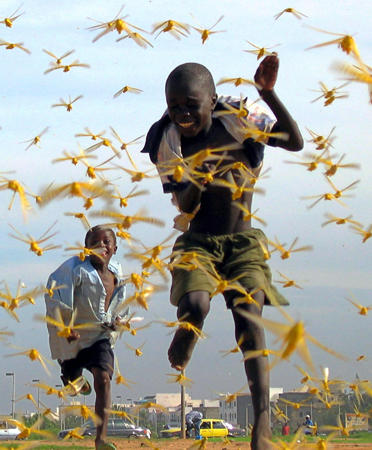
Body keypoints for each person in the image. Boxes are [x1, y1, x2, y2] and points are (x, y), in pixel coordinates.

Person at [141, 55, 303, 450]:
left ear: (212, 101)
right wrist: (198, 178)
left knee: (250, 322)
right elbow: (183, 205)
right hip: (199, 242)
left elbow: (294, 142)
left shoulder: (240, 119)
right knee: (197, 304)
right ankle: (188, 327)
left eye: (190, 105)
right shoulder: (169, 141)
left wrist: (269, 94)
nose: (181, 114)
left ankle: (262, 423)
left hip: (243, 242)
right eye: (173, 105)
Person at [44, 225, 128, 450]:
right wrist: (65, 324)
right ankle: (71, 376)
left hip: (99, 337)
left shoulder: (118, 274)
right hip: (74, 336)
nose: (101, 246)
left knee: (103, 379)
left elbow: (121, 304)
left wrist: (118, 321)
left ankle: (101, 439)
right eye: (95, 243)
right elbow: (54, 292)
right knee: (73, 378)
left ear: (114, 248)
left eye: (106, 242)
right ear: (86, 249)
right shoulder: (75, 269)